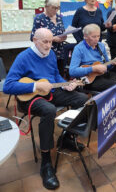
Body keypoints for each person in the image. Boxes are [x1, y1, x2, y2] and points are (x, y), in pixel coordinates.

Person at [3, 28, 88, 190]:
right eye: (45, 42)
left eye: (50, 41)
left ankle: (67, 137)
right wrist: (34, 85)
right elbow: (7, 86)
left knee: (82, 98)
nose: (49, 46)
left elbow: (55, 76)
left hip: (50, 92)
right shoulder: (23, 57)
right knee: (49, 110)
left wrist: (67, 84)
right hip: (30, 98)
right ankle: (46, 162)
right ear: (35, 40)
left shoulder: (50, 55)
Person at [69, 24, 116, 118]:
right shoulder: (79, 48)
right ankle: (115, 112)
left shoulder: (101, 46)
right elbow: (72, 71)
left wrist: (113, 62)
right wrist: (93, 68)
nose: (97, 39)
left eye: (98, 36)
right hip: (90, 80)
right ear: (85, 36)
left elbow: (107, 65)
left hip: (104, 74)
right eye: (94, 36)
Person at [31, 0, 66, 77]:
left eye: (58, 8)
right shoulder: (39, 18)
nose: (56, 10)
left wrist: (64, 37)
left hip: (60, 53)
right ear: (46, 6)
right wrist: (53, 39)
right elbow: (33, 37)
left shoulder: (59, 17)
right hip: (46, 53)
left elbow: (62, 31)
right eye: (53, 8)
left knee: (59, 76)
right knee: (48, 77)